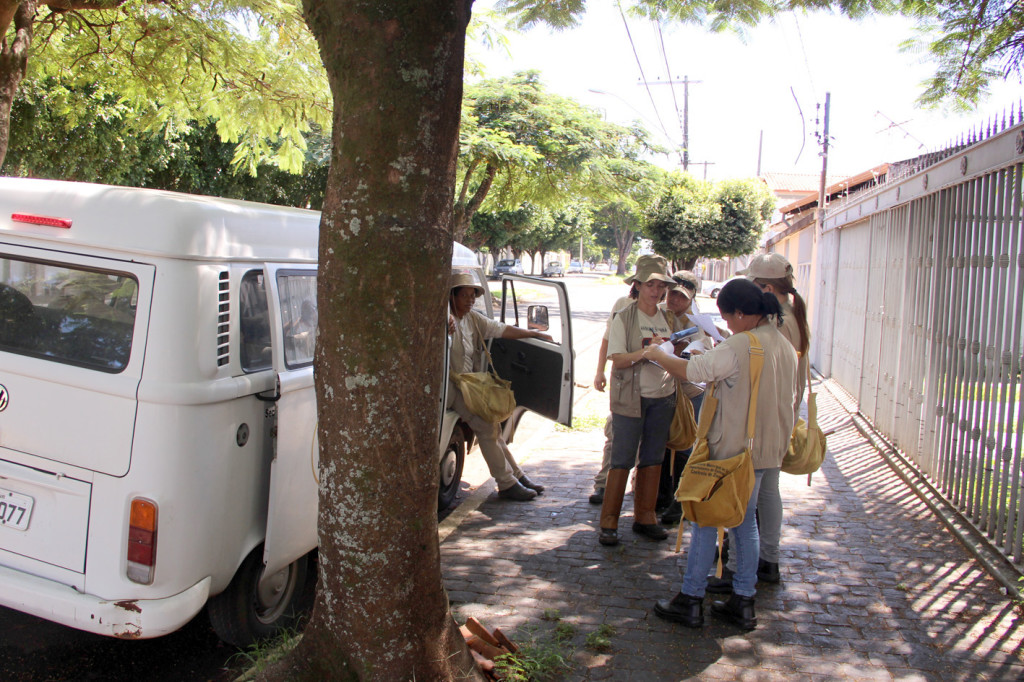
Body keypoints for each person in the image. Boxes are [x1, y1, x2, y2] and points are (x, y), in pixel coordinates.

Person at [646, 278, 797, 630]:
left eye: (728, 317)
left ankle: (691, 598)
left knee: (704, 519)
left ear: (743, 314)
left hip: (732, 450)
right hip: (765, 450)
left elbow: (693, 371)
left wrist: (658, 355)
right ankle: (743, 600)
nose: (726, 324)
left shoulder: (743, 343)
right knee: (744, 523)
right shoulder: (781, 343)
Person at [709, 252, 810, 586]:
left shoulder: (778, 323)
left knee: (748, 498)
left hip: (763, 415)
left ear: (767, 287)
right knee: (767, 491)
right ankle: (767, 560)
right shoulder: (792, 315)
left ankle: (742, 569)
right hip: (779, 412)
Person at [598, 255, 681, 545]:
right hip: (631, 399)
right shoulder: (625, 316)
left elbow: (675, 354)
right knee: (621, 459)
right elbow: (617, 359)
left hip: (663, 396)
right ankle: (608, 521)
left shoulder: (668, 318)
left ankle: (645, 516)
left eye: (661, 285)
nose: (656, 291)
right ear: (637, 285)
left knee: (654, 457)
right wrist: (646, 354)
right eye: (650, 285)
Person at [448, 271, 552, 502]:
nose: (470, 300)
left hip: (472, 383)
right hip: (453, 387)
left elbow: (501, 329)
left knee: (493, 428)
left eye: (472, 295)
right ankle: (506, 483)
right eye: (464, 295)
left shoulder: (473, 319)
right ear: (451, 296)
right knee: (487, 428)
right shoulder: (446, 319)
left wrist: (533, 334)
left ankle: (517, 476)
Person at [656, 271, 710, 525]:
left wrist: (685, 353)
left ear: (691, 298)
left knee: (686, 442)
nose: (673, 300)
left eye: (680, 296)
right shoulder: (656, 312)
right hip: (660, 386)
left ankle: (680, 500)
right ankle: (661, 495)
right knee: (661, 442)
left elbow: (702, 349)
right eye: (671, 294)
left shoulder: (697, 321)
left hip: (689, 389)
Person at [587, 282, 635, 505]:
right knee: (614, 431)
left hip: (655, 387)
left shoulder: (665, 311)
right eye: (648, 283)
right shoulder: (623, 305)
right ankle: (604, 483)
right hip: (623, 381)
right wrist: (600, 372)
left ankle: (639, 485)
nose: (654, 290)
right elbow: (607, 339)